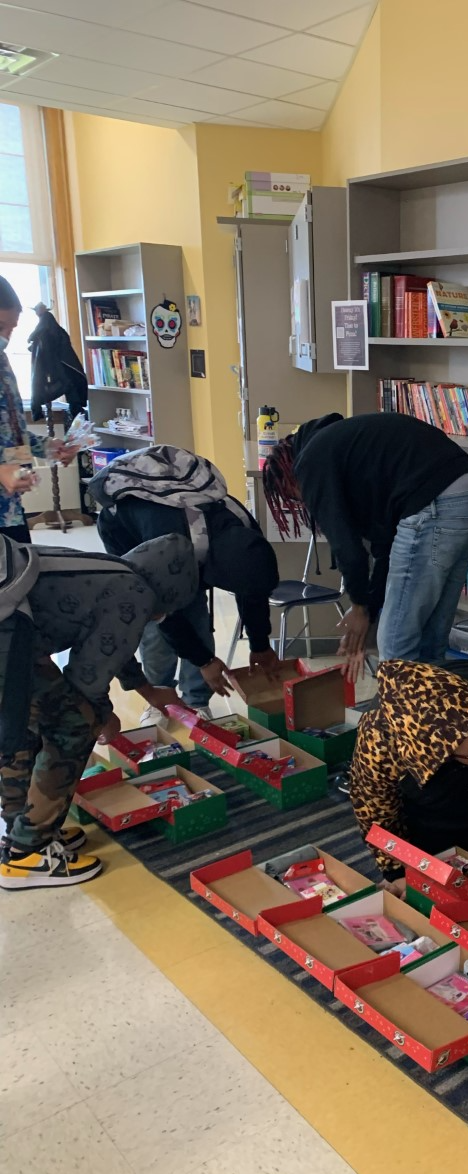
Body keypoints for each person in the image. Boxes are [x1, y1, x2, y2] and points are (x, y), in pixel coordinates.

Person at [0, 534, 200, 889]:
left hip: (13, 630)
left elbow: (109, 641)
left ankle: (21, 831)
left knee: (27, 723)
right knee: (73, 725)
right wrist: (101, 713)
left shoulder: (112, 571)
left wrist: (145, 689)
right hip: (8, 635)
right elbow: (86, 679)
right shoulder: (136, 594)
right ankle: (28, 851)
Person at [262, 413, 468, 682]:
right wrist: (368, 608)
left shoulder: (311, 462)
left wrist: (359, 607)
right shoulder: (345, 447)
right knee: (431, 638)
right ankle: (428, 719)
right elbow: (385, 548)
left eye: (294, 497)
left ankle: (397, 723)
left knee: (395, 644)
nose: (302, 502)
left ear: (288, 477)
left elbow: (348, 549)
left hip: (435, 505)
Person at [91, 446, 281, 720]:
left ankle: (196, 702)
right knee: (157, 619)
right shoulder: (168, 545)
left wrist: (260, 644)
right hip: (126, 529)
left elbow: (251, 590)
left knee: (197, 619)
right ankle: (162, 698)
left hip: (184, 533)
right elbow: (163, 612)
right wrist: (204, 660)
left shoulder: (243, 526)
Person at [350, 659, 468, 887]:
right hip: (430, 823)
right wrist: (396, 872)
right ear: (442, 755)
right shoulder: (379, 743)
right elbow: (376, 816)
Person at [0, 276, 76, 543]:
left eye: (10, 329)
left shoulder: (3, 364)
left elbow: (10, 433)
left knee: (25, 578)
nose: (5, 337)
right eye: (0, 327)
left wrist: (48, 447)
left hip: (9, 512)